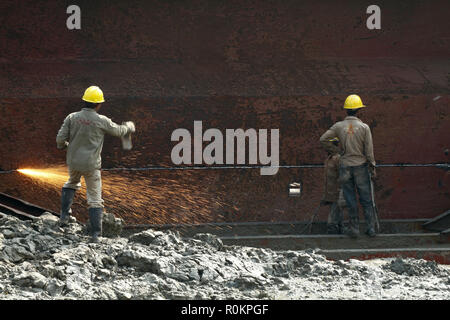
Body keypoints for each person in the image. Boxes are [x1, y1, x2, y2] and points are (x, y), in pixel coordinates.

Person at [56, 86, 135, 242]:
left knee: (71, 182)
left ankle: (64, 216)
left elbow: (60, 139)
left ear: (84, 101)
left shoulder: (72, 117)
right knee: (94, 198)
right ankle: (95, 235)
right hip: (91, 165)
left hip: (73, 162)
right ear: (98, 104)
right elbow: (119, 131)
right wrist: (129, 127)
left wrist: (64, 146)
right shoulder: (101, 120)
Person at [320, 94, 377, 238]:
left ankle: (354, 229)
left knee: (350, 198)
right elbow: (369, 151)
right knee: (366, 198)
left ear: (346, 110)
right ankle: (371, 228)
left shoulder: (338, 126)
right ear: (358, 110)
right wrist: (372, 167)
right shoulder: (364, 127)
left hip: (345, 166)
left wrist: (337, 151)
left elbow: (323, 139)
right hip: (360, 166)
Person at [321, 138, 347, 234]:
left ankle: (332, 230)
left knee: (333, 216)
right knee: (337, 213)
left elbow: (343, 176)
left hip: (337, 192)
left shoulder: (338, 159)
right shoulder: (329, 159)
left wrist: (342, 192)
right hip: (330, 192)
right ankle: (340, 230)